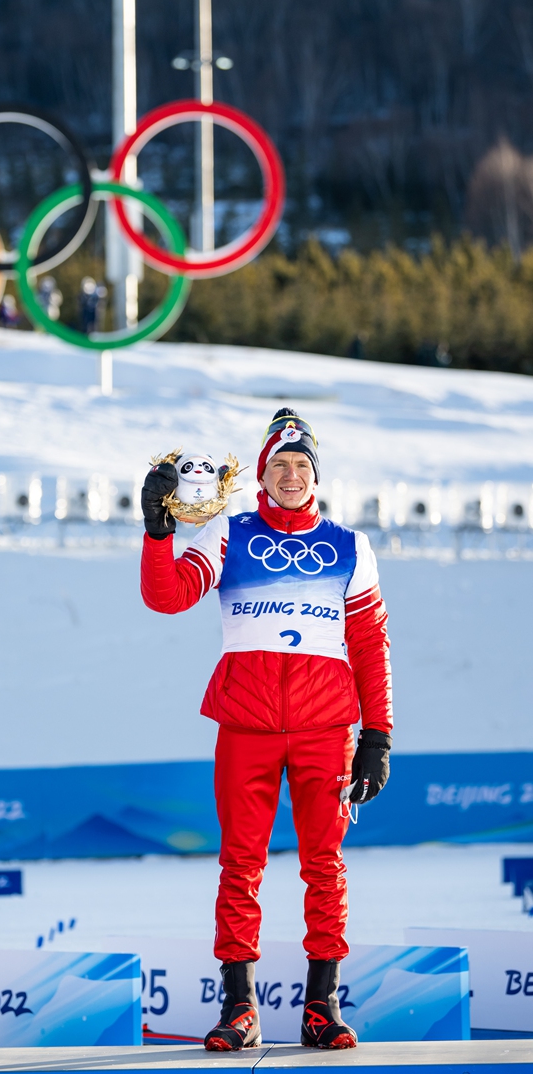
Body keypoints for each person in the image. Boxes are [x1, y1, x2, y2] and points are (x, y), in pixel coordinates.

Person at [140, 409, 392, 1052]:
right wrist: (156, 533)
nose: (290, 474)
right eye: (279, 463)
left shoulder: (348, 545)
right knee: (240, 865)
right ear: (260, 471)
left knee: (324, 867)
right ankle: (239, 1008)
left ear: (316, 474)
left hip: (325, 730)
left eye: (302, 464)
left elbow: (369, 644)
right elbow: (166, 597)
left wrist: (377, 737)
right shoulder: (229, 533)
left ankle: (321, 1006)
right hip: (246, 726)